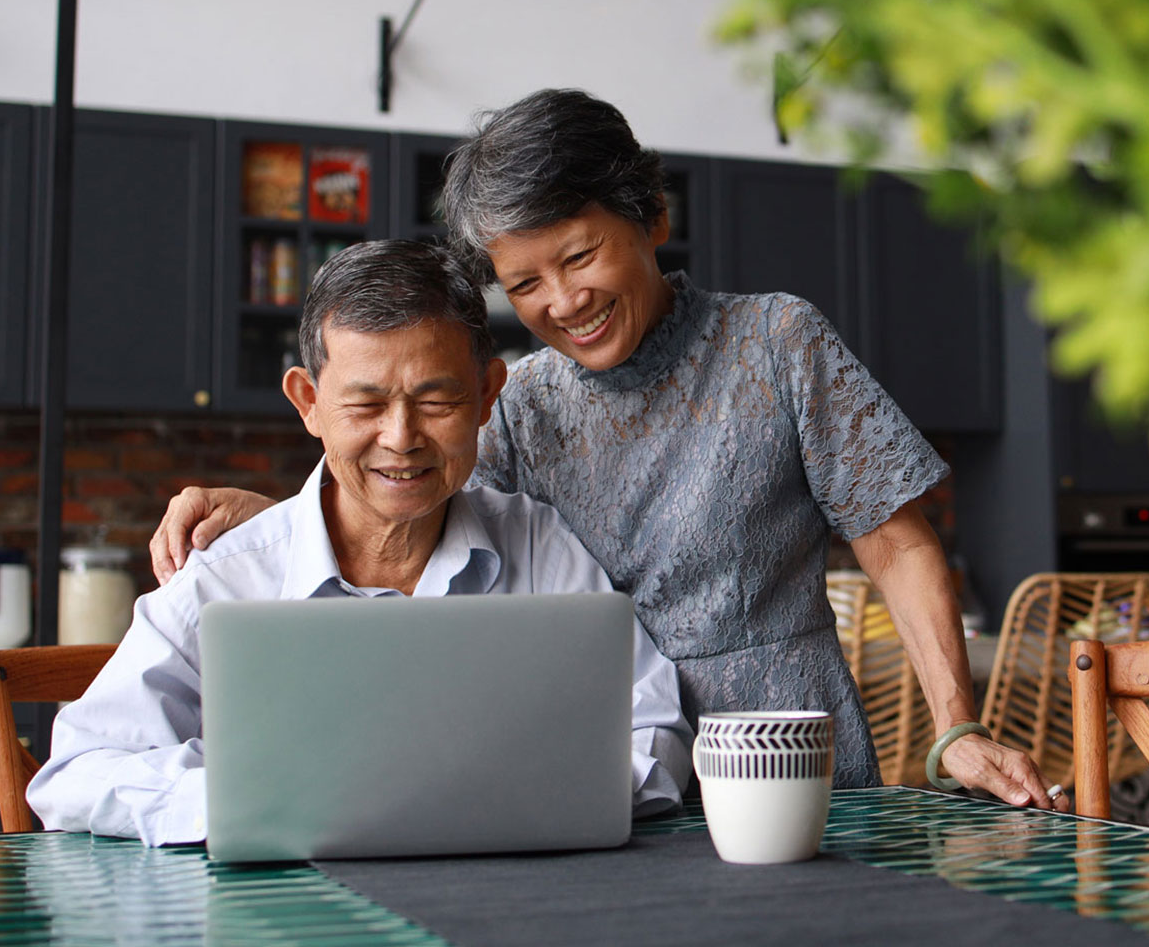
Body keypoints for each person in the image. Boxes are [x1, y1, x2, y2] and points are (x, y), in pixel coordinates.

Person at [152, 90, 1062, 809]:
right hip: (597, 771)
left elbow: (895, 542)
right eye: (525, 283)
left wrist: (954, 729)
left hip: (785, 752)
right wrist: (274, 518)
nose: (562, 302)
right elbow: (418, 515)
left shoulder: (778, 343)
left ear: (652, 219)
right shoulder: (520, 400)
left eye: (581, 256)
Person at [28, 239, 691, 846]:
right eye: (366, 406)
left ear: (488, 394)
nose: (401, 438)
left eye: (436, 403)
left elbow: (653, 726)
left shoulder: (537, 544)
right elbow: (78, 772)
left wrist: (527, 799)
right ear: (308, 400)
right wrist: (241, 800)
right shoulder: (228, 578)